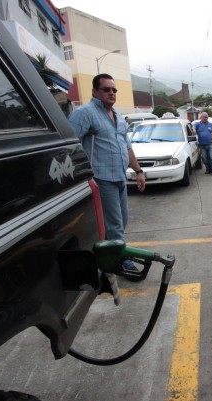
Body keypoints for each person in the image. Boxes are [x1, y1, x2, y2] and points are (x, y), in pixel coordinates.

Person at [68, 73, 146, 273]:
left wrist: (138, 171)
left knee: (122, 219)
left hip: (120, 176)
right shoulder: (84, 113)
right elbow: (70, 143)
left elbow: (127, 147)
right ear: (95, 91)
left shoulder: (118, 116)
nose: (111, 93)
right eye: (106, 89)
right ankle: (121, 260)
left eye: (114, 89)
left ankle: (110, 252)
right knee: (114, 223)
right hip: (101, 178)